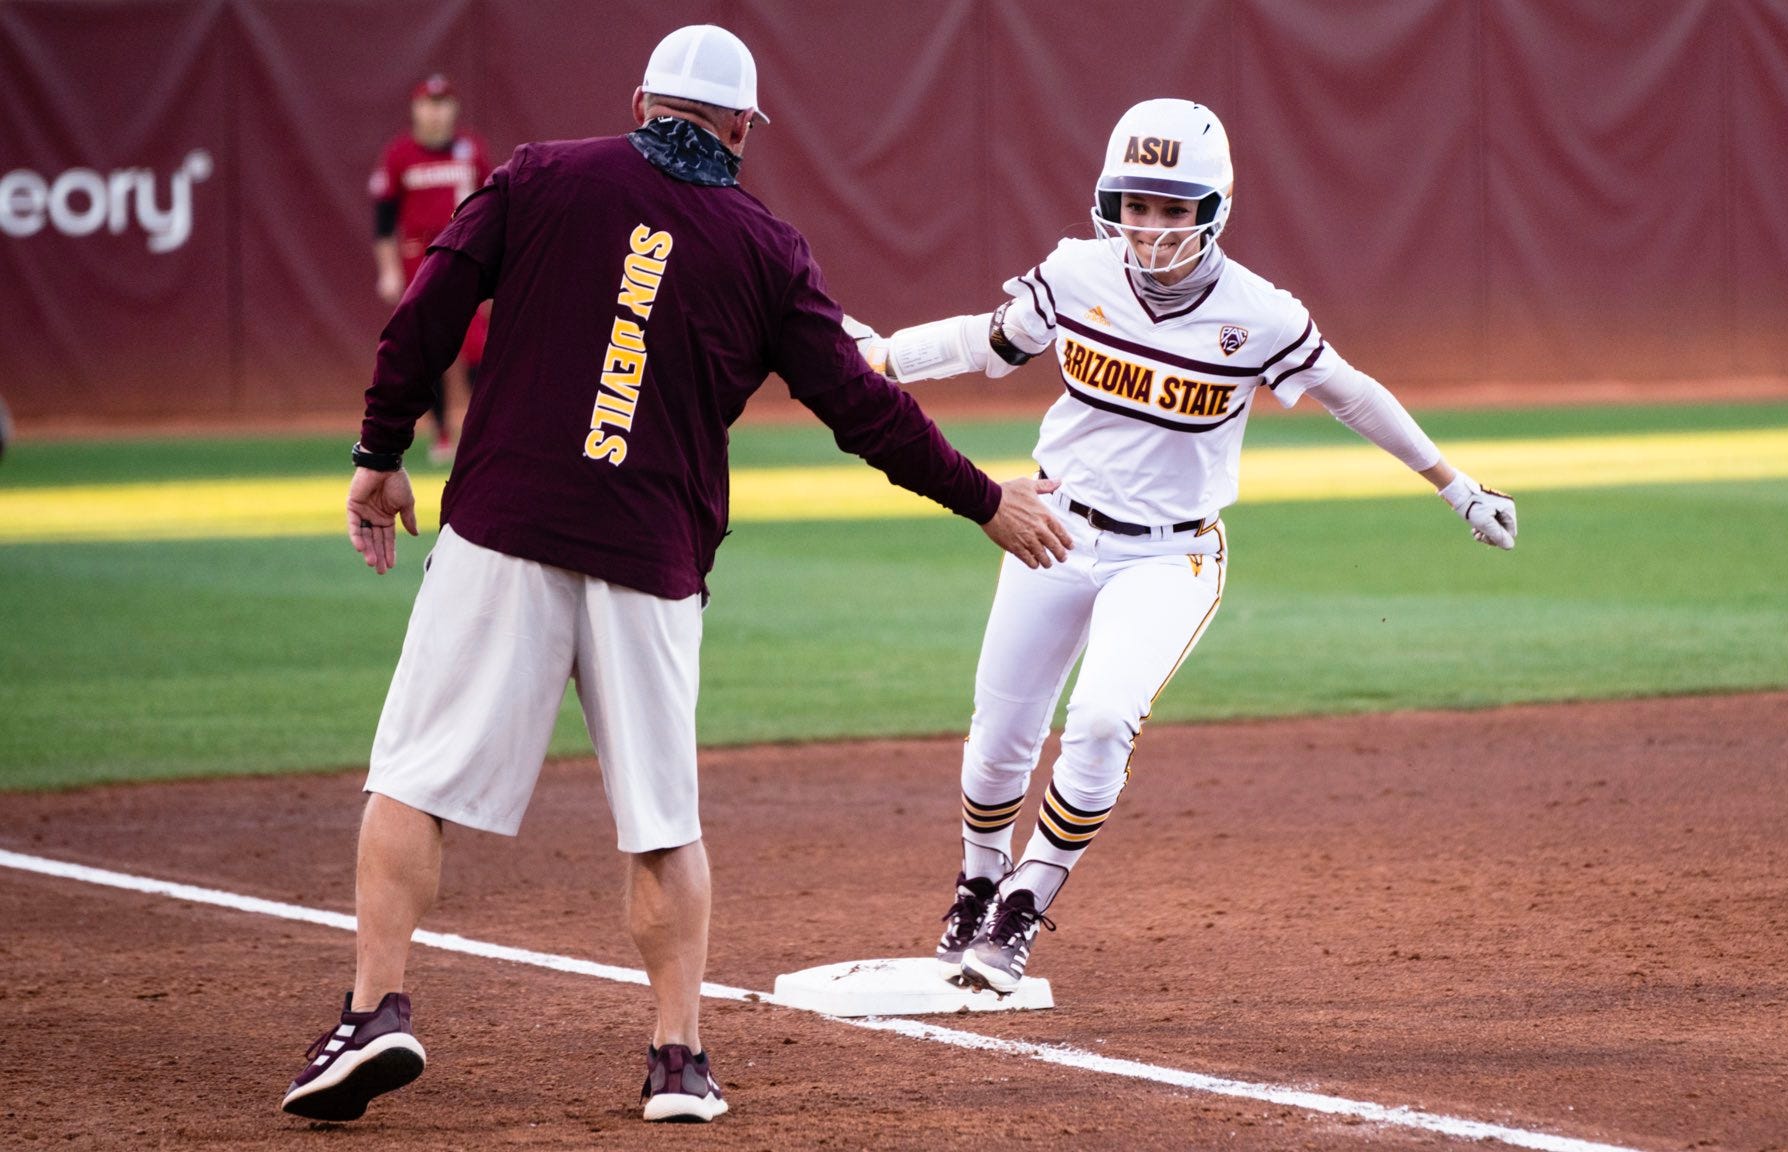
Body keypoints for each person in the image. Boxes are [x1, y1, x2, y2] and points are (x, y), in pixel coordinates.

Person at [282, 24, 1071, 1125]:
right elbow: (860, 410)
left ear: (642, 97)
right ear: (744, 127)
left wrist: (379, 453)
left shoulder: (541, 173)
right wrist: (986, 500)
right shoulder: (765, 247)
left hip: (504, 526)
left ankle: (375, 1011)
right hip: (650, 561)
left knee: (411, 780)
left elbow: (426, 309)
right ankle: (677, 1061)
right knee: (660, 822)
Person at [850, 98, 1518, 994]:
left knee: (1098, 722)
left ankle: (1023, 904)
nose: (1151, 226)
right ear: (1108, 202)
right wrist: (887, 355)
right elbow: (990, 339)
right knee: (999, 740)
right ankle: (976, 882)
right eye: (1136, 203)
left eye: (1174, 208)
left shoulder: (1261, 314)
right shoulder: (1079, 270)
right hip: (1052, 524)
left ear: (1215, 210)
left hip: (1171, 555)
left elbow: (1350, 393)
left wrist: (1454, 482)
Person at [369, 73, 490, 463]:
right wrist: (388, 271)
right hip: (418, 258)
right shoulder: (400, 154)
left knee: (477, 347)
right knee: (428, 348)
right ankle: (440, 432)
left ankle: (481, 428)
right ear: (415, 109)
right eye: (428, 104)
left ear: (453, 108)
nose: (436, 112)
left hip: (465, 254)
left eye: (443, 104)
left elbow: (491, 206)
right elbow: (384, 220)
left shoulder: (471, 150)